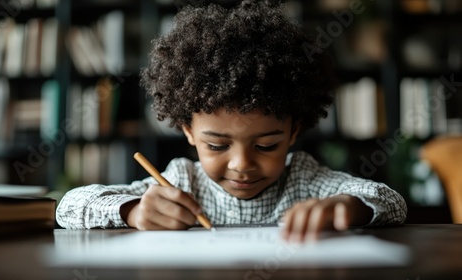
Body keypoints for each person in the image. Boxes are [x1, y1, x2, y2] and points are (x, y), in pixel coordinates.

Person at [56, 0, 407, 243]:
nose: (242, 165)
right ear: (188, 131)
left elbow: (392, 202)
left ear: (294, 131)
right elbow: (68, 207)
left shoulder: (305, 180)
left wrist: (350, 208)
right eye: (217, 145)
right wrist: (132, 211)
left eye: (266, 145)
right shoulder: (181, 181)